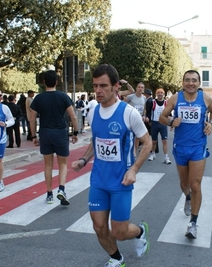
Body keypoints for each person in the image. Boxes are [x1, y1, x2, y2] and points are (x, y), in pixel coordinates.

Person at [71, 64, 151, 267]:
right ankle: (117, 258)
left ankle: (140, 231)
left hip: (121, 181)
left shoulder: (128, 113)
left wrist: (133, 170)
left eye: (103, 86)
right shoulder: (92, 112)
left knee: (120, 232)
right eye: (95, 86)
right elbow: (95, 141)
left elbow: (148, 142)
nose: (98, 90)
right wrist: (84, 159)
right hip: (98, 180)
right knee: (99, 227)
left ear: (116, 86)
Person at [159, 70, 212, 239]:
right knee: (184, 184)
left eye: (194, 80)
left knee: (195, 184)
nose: (190, 83)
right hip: (180, 147)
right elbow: (162, 117)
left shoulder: (205, 98)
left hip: (198, 147)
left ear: (199, 83)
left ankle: (193, 223)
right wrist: (171, 121)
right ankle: (187, 197)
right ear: (183, 82)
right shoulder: (175, 99)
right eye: (187, 80)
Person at [29, 70, 79, 205]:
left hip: (45, 132)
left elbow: (32, 119)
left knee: (48, 165)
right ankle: (61, 189)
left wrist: (33, 136)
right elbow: (73, 116)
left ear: (44, 82)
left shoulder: (38, 98)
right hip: (60, 132)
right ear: (57, 82)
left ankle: (49, 194)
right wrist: (75, 132)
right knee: (63, 164)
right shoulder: (63, 97)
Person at [145, 87, 172, 164]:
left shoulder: (166, 103)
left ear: (163, 94)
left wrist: (170, 121)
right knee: (154, 141)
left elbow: (169, 113)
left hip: (163, 124)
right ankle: (152, 154)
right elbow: (148, 112)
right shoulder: (153, 102)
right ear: (156, 94)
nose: (160, 94)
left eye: (161, 93)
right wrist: (149, 120)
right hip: (155, 123)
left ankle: (166, 157)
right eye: (158, 93)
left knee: (165, 141)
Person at [124, 82, 146, 157]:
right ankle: (127, 152)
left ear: (143, 89)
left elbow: (144, 108)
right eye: (139, 87)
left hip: (139, 120)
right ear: (136, 88)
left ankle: (134, 153)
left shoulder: (144, 98)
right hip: (130, 119)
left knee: (137, 137)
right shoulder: (131, 97)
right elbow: (123, 104)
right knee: (129, 136)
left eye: (142, 87)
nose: (140, 89)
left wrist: (143, 115)